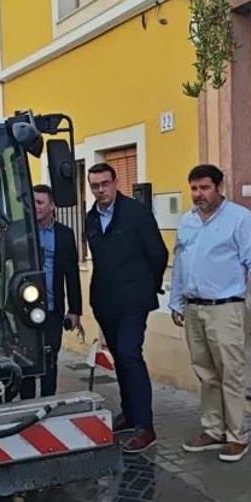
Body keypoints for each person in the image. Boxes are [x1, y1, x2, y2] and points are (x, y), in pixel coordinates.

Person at [170, 164, 251, 463]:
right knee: (206, 373)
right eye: (194, 189)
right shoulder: (186, 222)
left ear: (219, 187)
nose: (198, 194)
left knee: (231, 373)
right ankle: (213, 430)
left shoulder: (241, 220)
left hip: (226, 309)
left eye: (204, 188)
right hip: (194, 308)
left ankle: (238, 436)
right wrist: (176, 302)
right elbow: (181, 263)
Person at [84, 163, 168, 453]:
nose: (101, 190)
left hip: (134, 300)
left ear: (115, 182)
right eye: (95, 185)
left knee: (131, 354)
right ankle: (129, 413)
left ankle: (146, 426)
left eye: (105, 184)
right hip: (105, 301)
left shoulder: (136, 212)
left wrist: (146, 285)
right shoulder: (91, 218)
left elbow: (158, 254)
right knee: (119, 357)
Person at [33, 184, 83, 397]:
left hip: (53, 308)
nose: (35, 207)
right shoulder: (21, 232)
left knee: (50, 359)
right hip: (26, 310)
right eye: (32, 202)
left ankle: (47, 403)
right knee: (29, 362)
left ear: (52, 206)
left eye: (40, 202)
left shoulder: (64, 234)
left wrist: (75, 310)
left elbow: (72, 273)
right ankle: (26, 405)